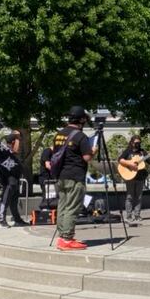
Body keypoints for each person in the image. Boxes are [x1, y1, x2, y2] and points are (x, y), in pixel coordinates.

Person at [53, 107, 95, 251]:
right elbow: (87, 157)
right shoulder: (80, 136)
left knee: (63, 206)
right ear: (81, 119)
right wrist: (94, 151)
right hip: (75, 176)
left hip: (61, 176)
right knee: (72, 207)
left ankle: (62, 236)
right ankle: (67, 238)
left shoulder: (58, 134)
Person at [118, 135, 150, 226]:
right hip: (130, 176)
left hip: (140, 177)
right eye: (136, 143)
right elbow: (120, 160)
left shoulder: (142, 152)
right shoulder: (128, 151)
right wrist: (130, 165)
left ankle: (137, 215)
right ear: (132, 142)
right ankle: (129, 216)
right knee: (130, 196)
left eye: (139, 143)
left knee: (138, 197)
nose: (138, 144)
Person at [0, 130, 27, 227]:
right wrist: (17, 136)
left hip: (15, 177)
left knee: (14, 200)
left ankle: (17, 219)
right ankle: (2, 220)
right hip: (9, 178)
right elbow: (15, 150)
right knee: (6, 199)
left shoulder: (11, 146)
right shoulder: (9, 139)